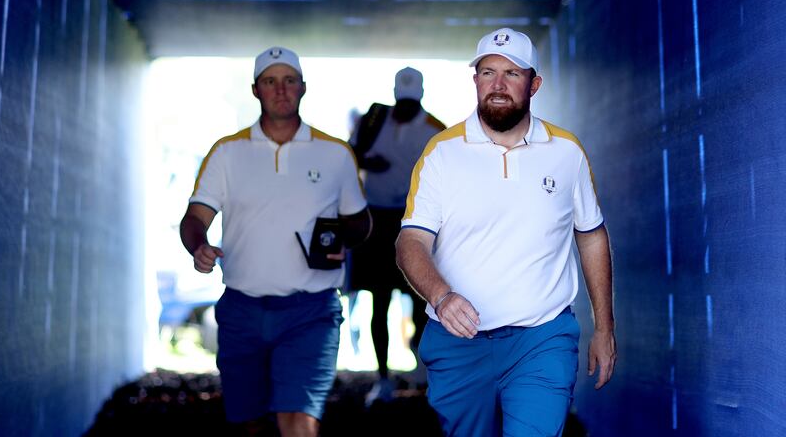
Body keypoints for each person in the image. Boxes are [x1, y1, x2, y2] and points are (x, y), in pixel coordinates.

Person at [396, 28, 617, 436]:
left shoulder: (567, 152)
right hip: (457, 341)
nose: (497, 85)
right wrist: (441, 297)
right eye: (487, 72)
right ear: (475, 80)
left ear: (534, 84)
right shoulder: (441, 153)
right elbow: (411, 242)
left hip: (542, 338)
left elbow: (591, 235)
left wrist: (604, 328)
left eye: (512, 74)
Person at [180, 46, 371, 437]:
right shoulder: (226, 152)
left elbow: (361, 223)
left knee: (297, 421)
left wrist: (341, 238)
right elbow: (195, 217)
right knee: (248, 423)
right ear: (255, 90)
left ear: (303, 88)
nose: (280, 90)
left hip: (311, 312)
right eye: (270, 81)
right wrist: (198, 245)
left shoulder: (335, 153)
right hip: (241, 310)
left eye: (289, 81)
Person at [348, 67, 446, 402]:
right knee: (378, 298)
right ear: (393, 94)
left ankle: (421, 364)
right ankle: (383, 377)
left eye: (409, 104)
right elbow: (349, 154)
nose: (403, 110)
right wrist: (366, 163)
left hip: (414, 222)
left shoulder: (436, 132)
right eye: (400, 103)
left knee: (422, 296)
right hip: (376, 219)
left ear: (420, 97)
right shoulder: (374, 119)